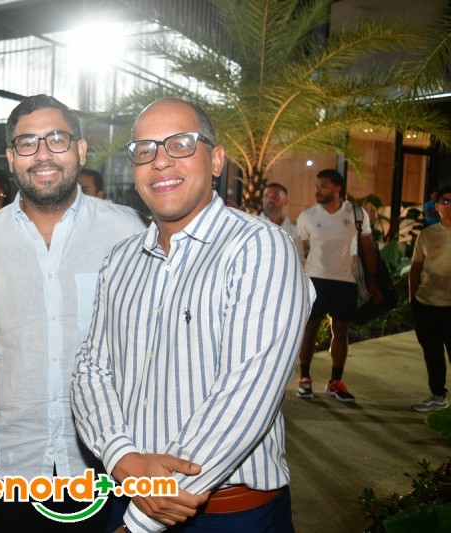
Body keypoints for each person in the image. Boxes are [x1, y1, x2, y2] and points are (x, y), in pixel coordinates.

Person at [71, 97, 314, 533]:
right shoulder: (120, 261)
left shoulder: (259, 247)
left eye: (180, 144)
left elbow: (245, 395)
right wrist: (120, 455)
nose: (160, 161)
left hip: (230, 518)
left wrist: (142, 521)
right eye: (145, 150)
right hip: (125, 498)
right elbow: (91, 370)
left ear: (216, 160)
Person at [0, 94, 146, 532]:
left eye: (57, 139)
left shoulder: (127, 231)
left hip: (107, 463)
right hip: (11, 466)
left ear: (80, 150)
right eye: (27, 143)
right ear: (12, 158)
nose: (43, 154)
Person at [295, 169, 382, 403]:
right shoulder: (307, 216)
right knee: (310, 328)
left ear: (337, 188)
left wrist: (373, 279)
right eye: (316, 186)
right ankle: (304, 378)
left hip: (346, 280)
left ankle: (335, 381)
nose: (317, 190)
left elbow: (368, 247)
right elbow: (302, 249)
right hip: (315, 279)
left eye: (323, 186)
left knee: (341, 330)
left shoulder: (356, 213)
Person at [409, 185, 451, 412]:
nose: (449, 205)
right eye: (445, 201)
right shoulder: (426, 234)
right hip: (426, 303)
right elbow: (416, 267)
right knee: (432, 353)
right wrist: (413, 299)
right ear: (437, 206)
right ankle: (437, 395)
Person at [260, 182, 304, 262]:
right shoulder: (252, 226)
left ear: (285, 201)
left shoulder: (294, 231)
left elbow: (299, 260)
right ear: (262, 200)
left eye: (275, 197)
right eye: (266, 196)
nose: (270, 200)